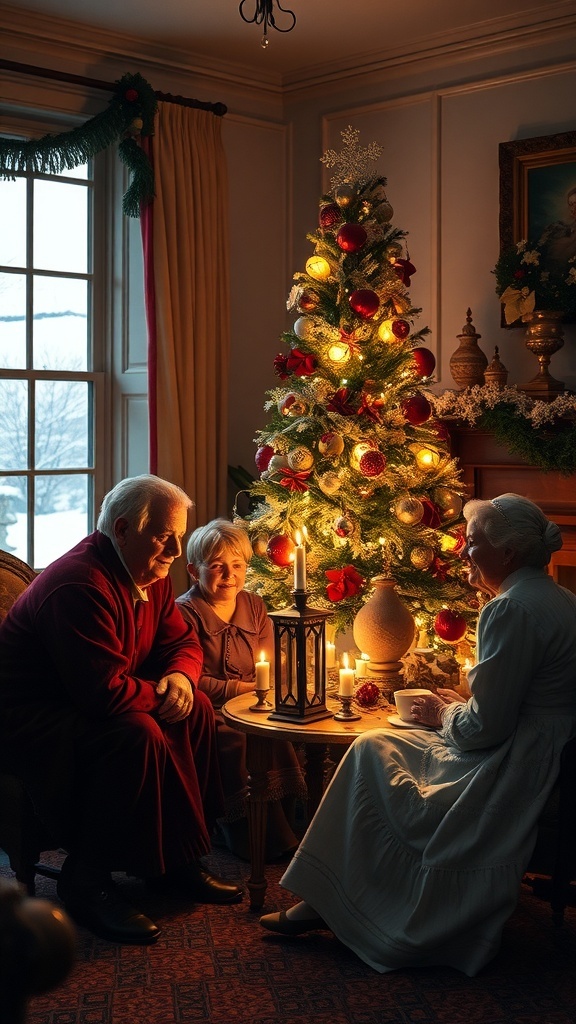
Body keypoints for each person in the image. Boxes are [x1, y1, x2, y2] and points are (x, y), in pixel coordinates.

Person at [259, 493, 576, 977]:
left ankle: (334, 903)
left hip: (515, 757)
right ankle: (326, 900)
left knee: (371, 748)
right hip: (551, 745)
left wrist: (441, 713)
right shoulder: (562, 599)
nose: (463, 553)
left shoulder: (510, 609)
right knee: (381, 744)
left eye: (472, 544)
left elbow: (483, 729)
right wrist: (457, 708)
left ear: (508, 554)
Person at [0, 475, 243, 947]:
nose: (176, 550)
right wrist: (162, 692)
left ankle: (174, 861)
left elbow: (181, 641)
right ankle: (85, 880)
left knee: (194, 711)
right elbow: (104, 694)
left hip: (94, 700)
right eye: (164, 535)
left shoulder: (147, 569)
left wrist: (182, 680)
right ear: (123, 528)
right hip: (33, 719)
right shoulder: (79, 584)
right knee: (138, 733)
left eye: (179, 535)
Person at [177, 519, 306, 860]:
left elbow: (269, 664)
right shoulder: (184, 613)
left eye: (237, 566)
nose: (229, 575)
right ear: (194, 570)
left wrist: (273, 688)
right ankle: (242, 832)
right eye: (217, 567)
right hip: (212, 709)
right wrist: (242, 689)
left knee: (277, 731)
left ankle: (282, 826)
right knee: (236, 740)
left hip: (254, 702)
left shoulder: (254, 605)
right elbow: (194, 678)